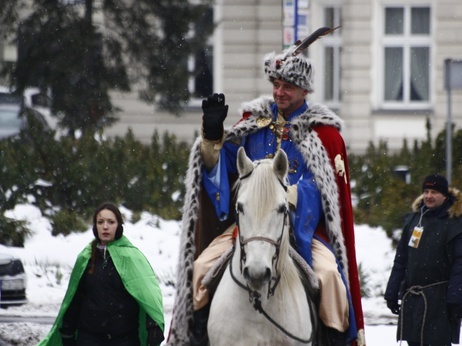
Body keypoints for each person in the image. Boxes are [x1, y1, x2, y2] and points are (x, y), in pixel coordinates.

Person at [168, 29, 365, 346]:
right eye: (276, 84)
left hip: (301, 229)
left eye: (287, 86)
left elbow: (325, 189)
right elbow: (222, 170)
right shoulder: (253, 123)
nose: (279, 92)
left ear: (304, 89)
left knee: (330, 280)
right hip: (248, 227)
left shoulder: (323, 134)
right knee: (201, 268)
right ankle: (194, 338)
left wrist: (287, 194)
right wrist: (212, 135)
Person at [38, 202, 165, 346]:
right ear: (95, 227)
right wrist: (67, 332)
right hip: (89, 338)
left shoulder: (132, 258)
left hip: (124, 339)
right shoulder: (86, 258)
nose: (105, 227)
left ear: (119, 227)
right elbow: (75, 298)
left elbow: (147, 295)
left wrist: (154, 327)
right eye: (100, 222)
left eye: (111, 222)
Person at [384, 174, 462, 346]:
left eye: (434, 192)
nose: (428, 196)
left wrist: (455, 302)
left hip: (441, 301)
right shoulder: (414, 220)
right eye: (426, 191)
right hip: (413, 298)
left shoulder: (459, 226)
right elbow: (401, 260)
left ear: (445, 195)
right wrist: (392, 292)